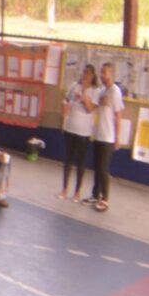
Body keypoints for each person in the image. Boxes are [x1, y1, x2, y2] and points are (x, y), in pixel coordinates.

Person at [89, 62, 125, 212]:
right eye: (101, 72)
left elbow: (118, 116)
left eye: (105, 72)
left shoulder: (115, 91)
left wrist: (118, 137)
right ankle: (95, 194)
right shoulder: (102, 90)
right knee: (97, 167)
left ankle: (105, 199)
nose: (102, 75)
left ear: (111, 74)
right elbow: (93, 107)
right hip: (99, 134)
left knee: (103, 169)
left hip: (108, 137)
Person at [59, 64, 97, 202]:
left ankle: (77, 192)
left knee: (80, 162)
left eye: (88, 73)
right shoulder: (74, 86)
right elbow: (66, 100)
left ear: (92, 76)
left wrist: (84, 93)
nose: (85, 75)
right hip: (70, 128)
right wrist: (65, 106)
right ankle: (64, 189)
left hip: (84, 132)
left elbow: (89, 109)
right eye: (84, 72)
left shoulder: (95, 91)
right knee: (68, 160)